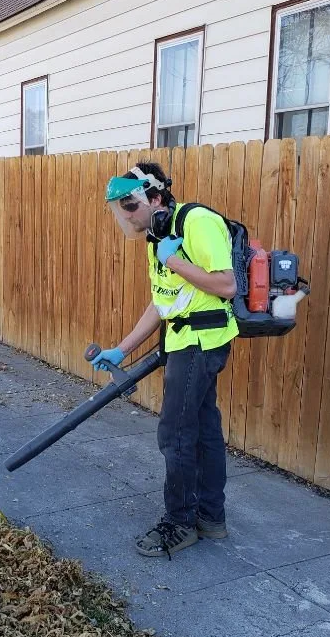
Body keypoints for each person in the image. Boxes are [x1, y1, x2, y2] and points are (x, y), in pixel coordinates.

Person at [92, 163, 238, 558]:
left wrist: (174, 261)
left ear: (155, 198)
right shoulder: (158, 236)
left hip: (202, 342)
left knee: (174, 435)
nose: (126, 216)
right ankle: (210, 518)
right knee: (204, 429)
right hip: (182, 340)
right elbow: (164, 302)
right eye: (121, 209)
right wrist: (121, 349)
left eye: (130, 206)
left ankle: (179, 523)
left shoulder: (197, 222)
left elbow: (227, 285)